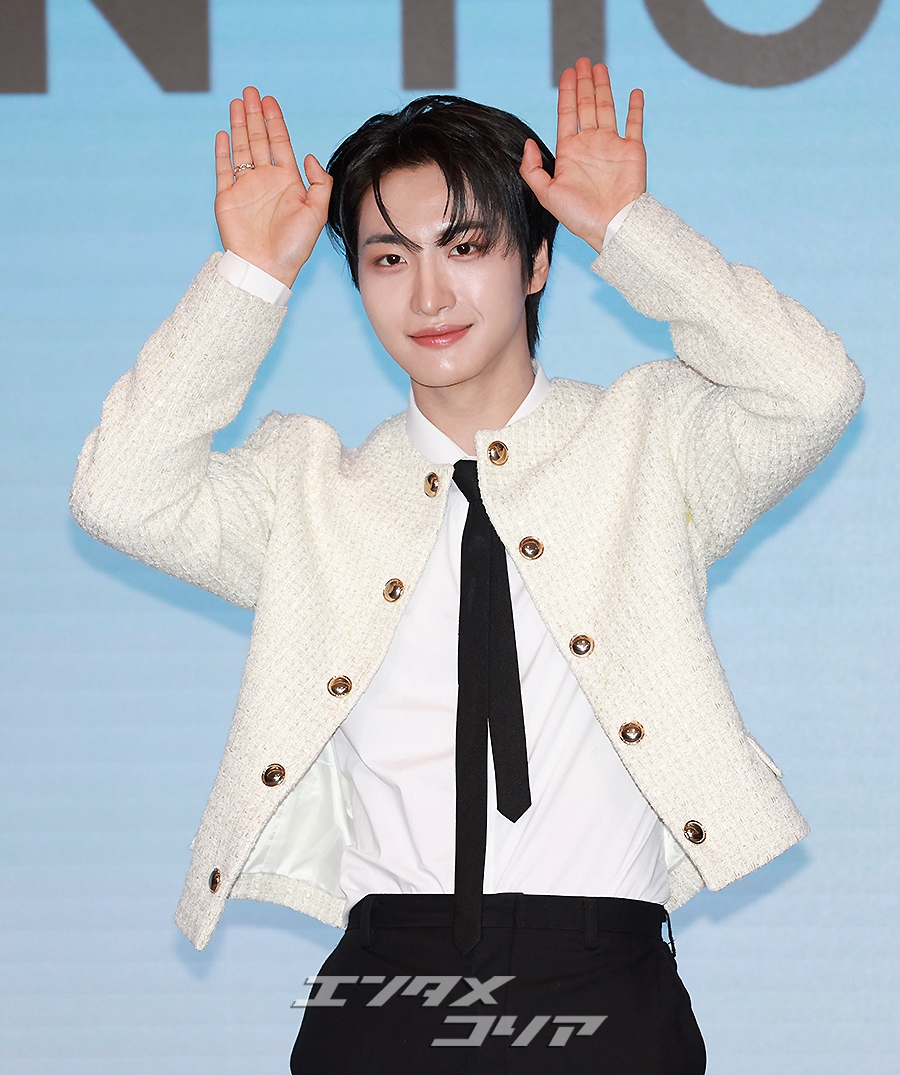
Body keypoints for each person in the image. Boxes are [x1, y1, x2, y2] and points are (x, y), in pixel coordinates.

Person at [70, 59, 863, 1073]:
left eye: (467, 245)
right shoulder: (308, 490)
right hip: (384, 984)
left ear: (535, 262)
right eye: (387, 258)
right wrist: (250, 279)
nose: (429, 293)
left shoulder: (648, 441)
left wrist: (629, 230)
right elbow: (120, 492)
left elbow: (813, 388)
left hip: (604, 980)